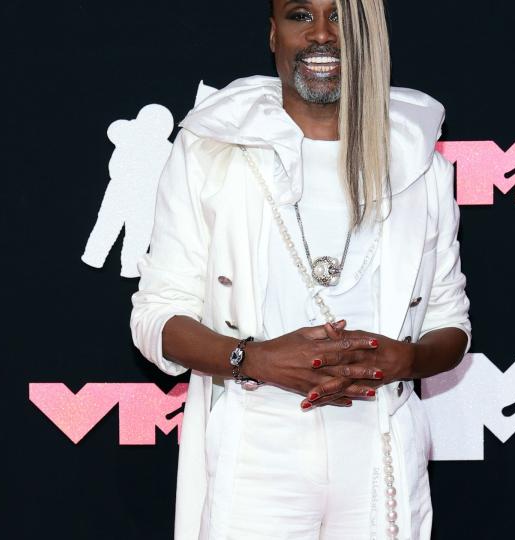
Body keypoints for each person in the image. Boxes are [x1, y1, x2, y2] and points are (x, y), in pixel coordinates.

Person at [130, 0, 471, 538]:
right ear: (273, 34)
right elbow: (155, 316)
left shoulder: (419, 160)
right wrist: (256, 360)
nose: (320, 35)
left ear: (367, 31)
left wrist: (404, 359)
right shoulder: (213, 150)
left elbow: (452, 324)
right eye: (299, 15)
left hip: (379, 442)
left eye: (338, 16)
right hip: (258, 443)